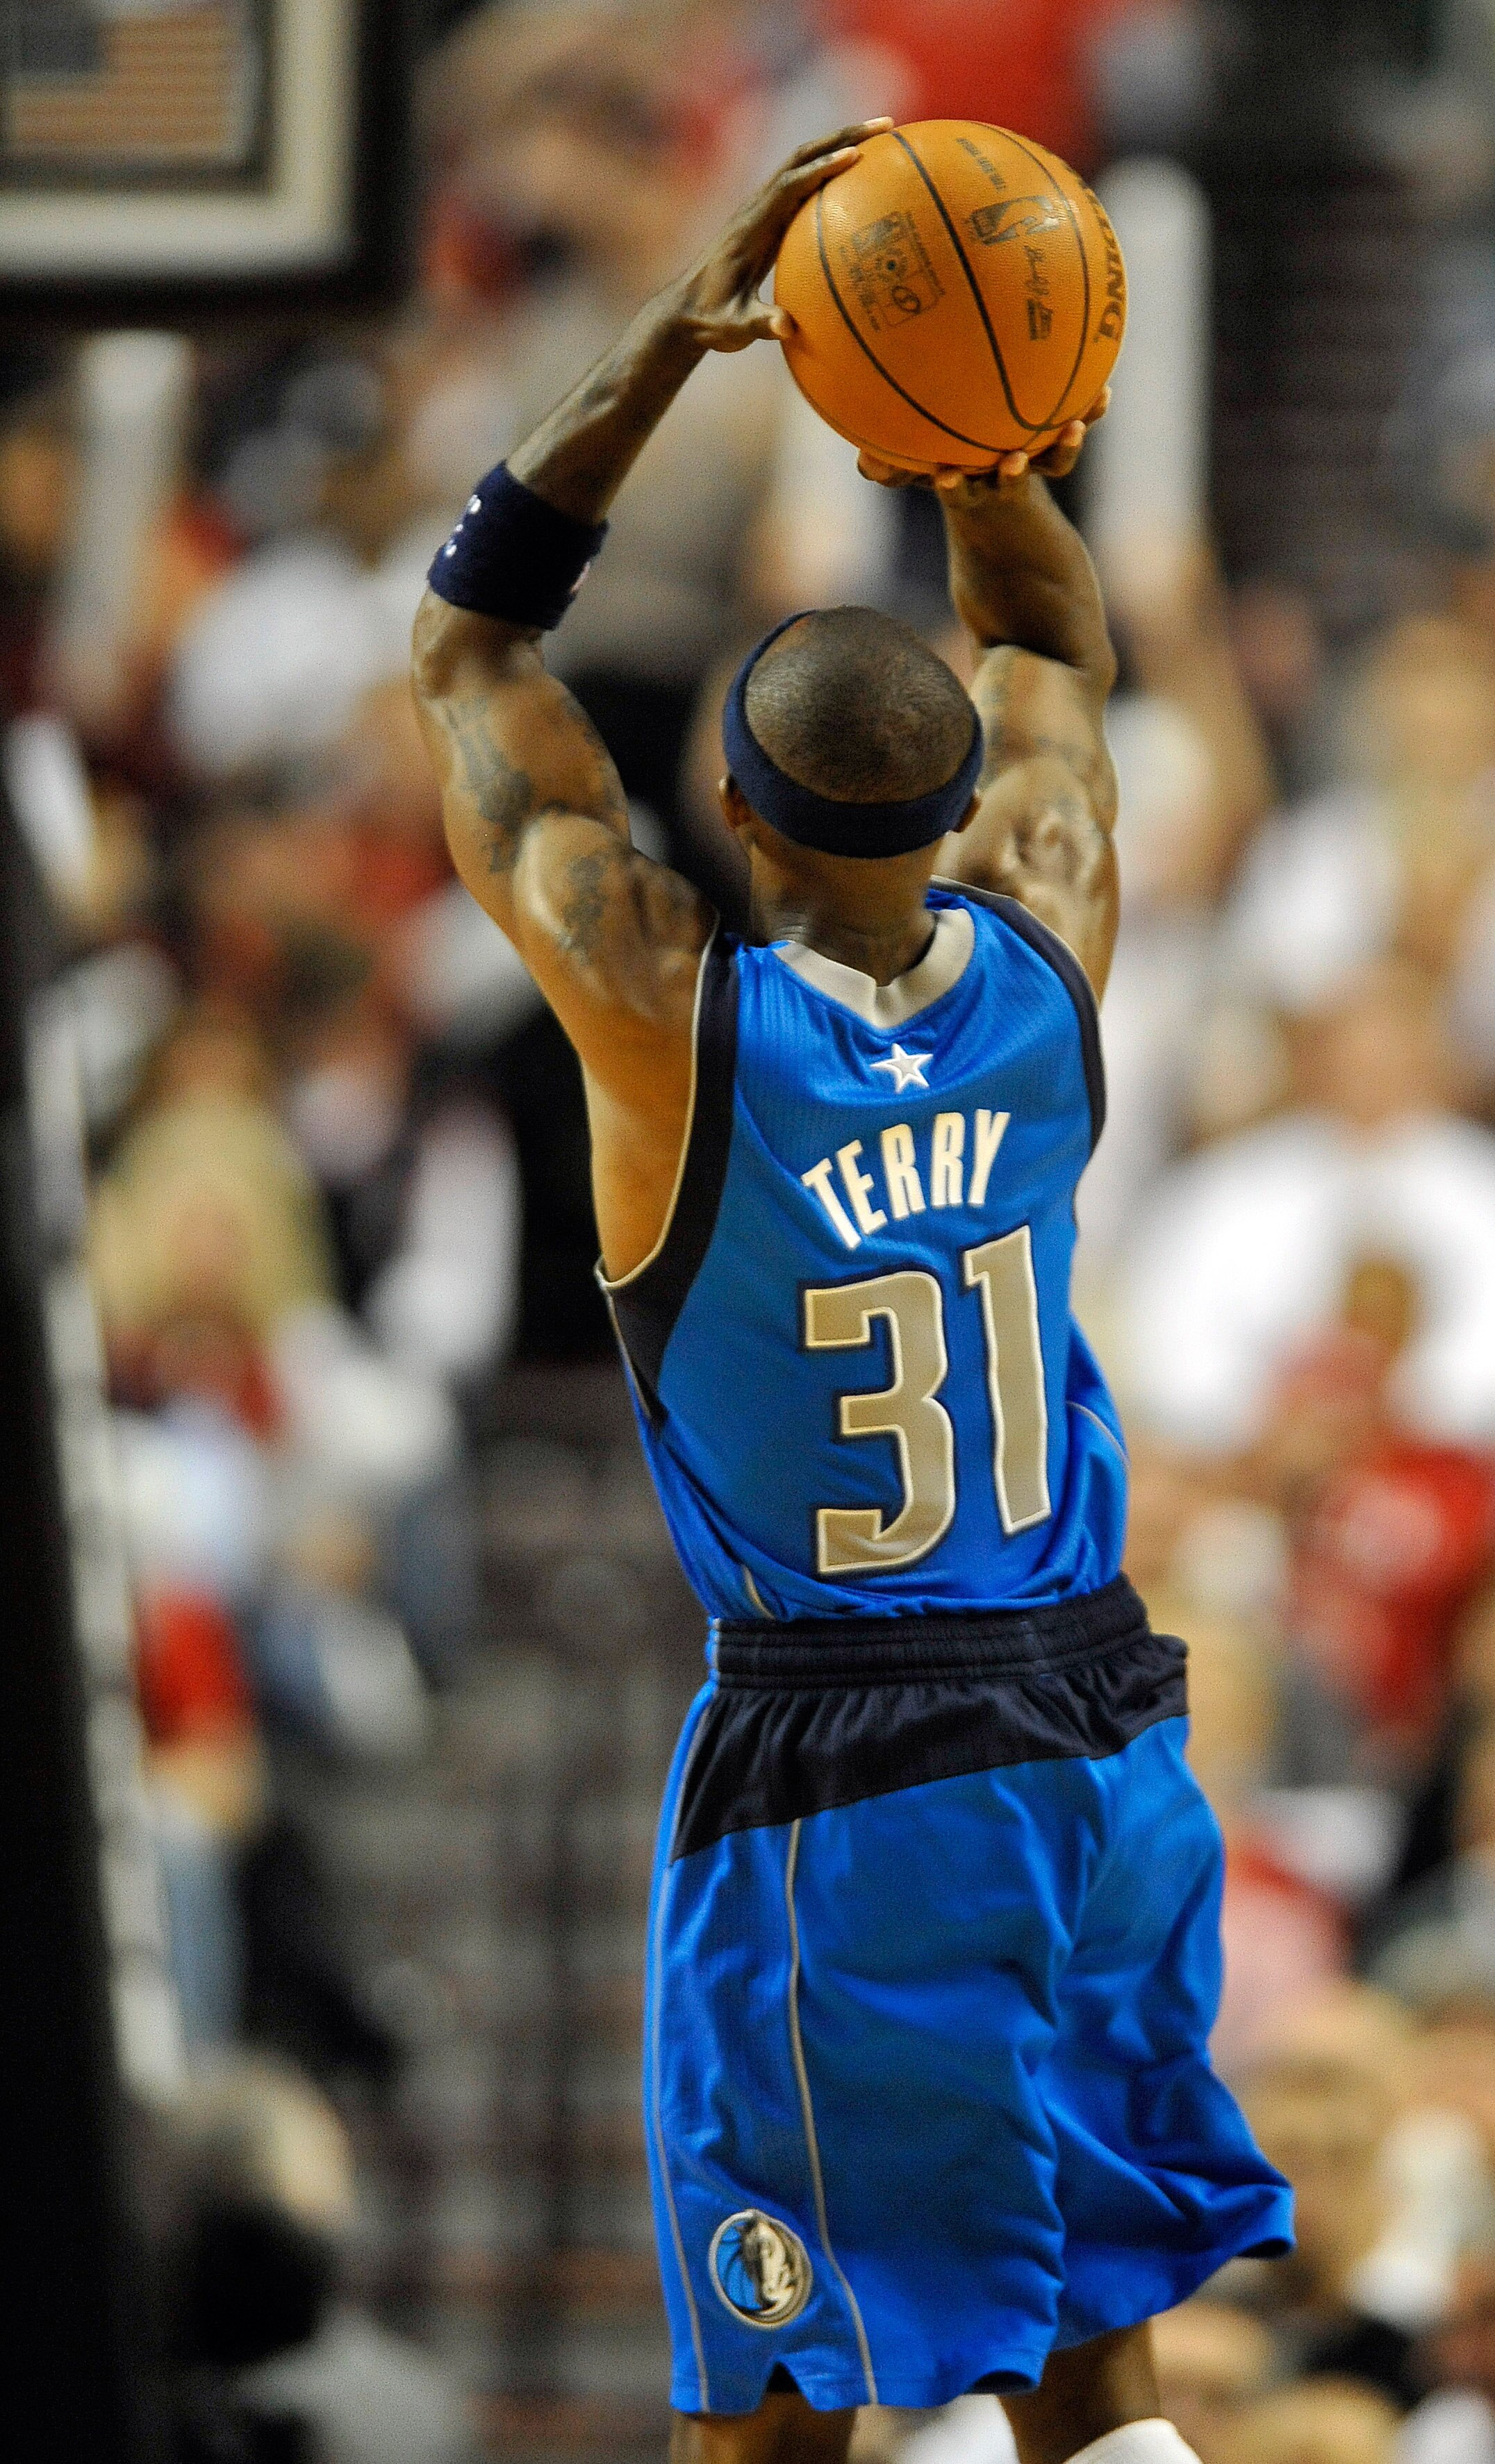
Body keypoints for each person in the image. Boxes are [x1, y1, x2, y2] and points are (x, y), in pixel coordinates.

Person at [411, 121, 1293, 2464]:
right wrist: (987, 444)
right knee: (1097, 2372)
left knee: (787, 2414)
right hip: (1099, 1732)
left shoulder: (668, 1018)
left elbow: (467, 646)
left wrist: (666, 345)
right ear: (946, 812)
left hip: (847, 1762)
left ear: (737, 811)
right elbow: (1049, 649)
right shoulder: (1051, 957)